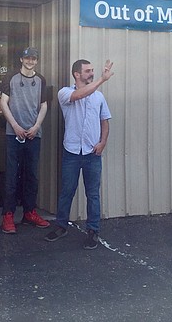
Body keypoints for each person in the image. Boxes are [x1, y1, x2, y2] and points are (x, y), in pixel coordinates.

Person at [45, 59, 113, 250]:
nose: (91, 73)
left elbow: (105, 122)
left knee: (92, 193)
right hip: (72, 152)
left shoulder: (99, 97)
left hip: (92, 152)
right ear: (77, 74)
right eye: (87, 71)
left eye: (92, 70)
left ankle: (93, 230)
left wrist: (103, 143)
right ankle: (61, 226)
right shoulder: (65, 92)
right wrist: (101, 79)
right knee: (67, 190)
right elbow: (78, 95)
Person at [0, 47, 51, 233]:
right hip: (13, 134)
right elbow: (3, 103)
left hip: (33, 134)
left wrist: (36, 126)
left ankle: (29, 212)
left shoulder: (41, 80)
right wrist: (14, 126)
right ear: (21, 59)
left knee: (32, 175)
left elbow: (44, 105)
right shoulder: (11, 77)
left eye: (33, 58)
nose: (30, 61)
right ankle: (8, 215)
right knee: (12, 176)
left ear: (37, 61)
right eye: (27, 58)